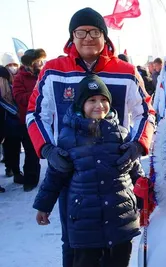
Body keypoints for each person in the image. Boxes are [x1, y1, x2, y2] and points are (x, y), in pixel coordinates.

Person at [27, 7, 155, 267]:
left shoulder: (127, 71)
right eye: (81, 32)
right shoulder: (53, 70)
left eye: (95, 31)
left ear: (105, 37)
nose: (88, 37)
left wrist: (137, 145)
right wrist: (48, 150)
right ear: (71, 37)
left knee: (118, 241)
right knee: (74, 244)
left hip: (114, 172)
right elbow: (35, 113)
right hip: (72, 173)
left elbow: (147, 112)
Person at [34, 75, 142, 267]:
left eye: (103, 100)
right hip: (85, 221)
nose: (99, 105)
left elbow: (135, 171)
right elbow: (55, 176)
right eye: (92, 100)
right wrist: (44, 206)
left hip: (121, 218)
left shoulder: (122, 134)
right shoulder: (68, 137)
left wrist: (145, 195)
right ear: (80, 105)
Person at [12, 49, 46, 191]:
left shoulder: (45, 73)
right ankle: (30, 180)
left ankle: (56, 179)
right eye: (37, 61)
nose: (40, 64)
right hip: (29, 120)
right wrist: (37, 94)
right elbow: (19, 97)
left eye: (41, 61)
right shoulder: (19, 77)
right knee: (31, 151)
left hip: (45, 118)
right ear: (30, 63)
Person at [0, 53, 24, 184]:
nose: (12, 67)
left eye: (14, 64)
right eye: (9, 65)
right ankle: (11, 168)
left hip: (15, 119)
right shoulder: (2, 77)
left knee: (13, 146)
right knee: (9, 146)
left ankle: (14, 170)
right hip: (5, 117)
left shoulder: (19, 78)